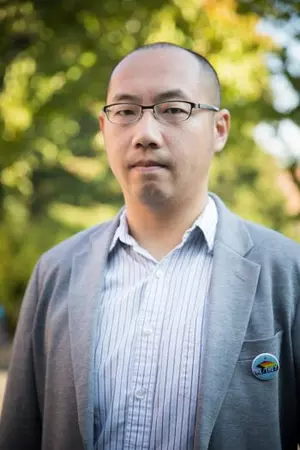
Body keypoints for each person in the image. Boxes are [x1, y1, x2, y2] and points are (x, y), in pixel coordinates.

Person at [0, 42, 299, 450]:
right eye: (124, 112)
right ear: (104, 131)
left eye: (174, 109)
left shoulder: (287, 271)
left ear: (219, 129)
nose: (145, 134)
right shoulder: (55, 273)